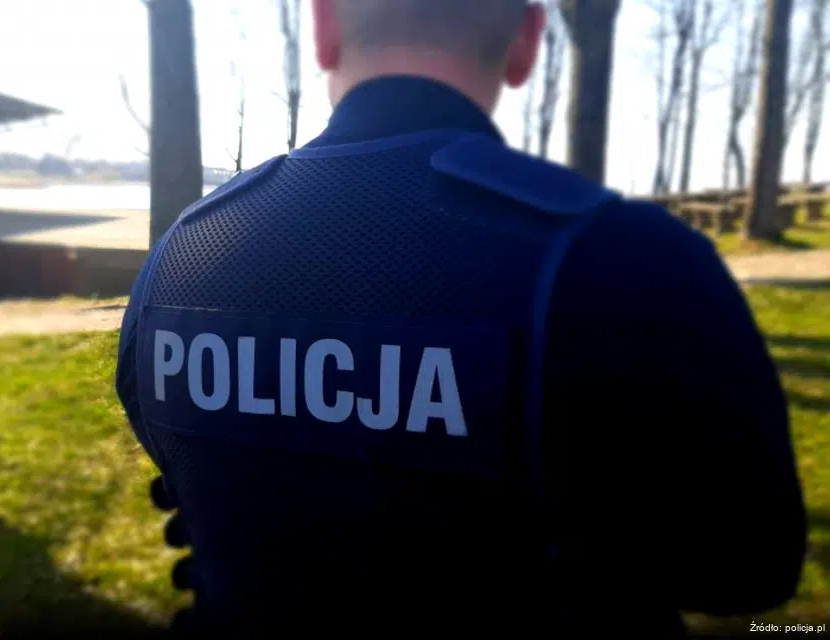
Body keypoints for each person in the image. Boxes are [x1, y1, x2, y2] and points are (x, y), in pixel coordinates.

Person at [116, 0, 807, 635]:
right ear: (526, 43)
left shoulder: (184, 253)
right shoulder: (633, 261)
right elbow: (751, 568)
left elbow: (183, 477)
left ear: (323, 28)